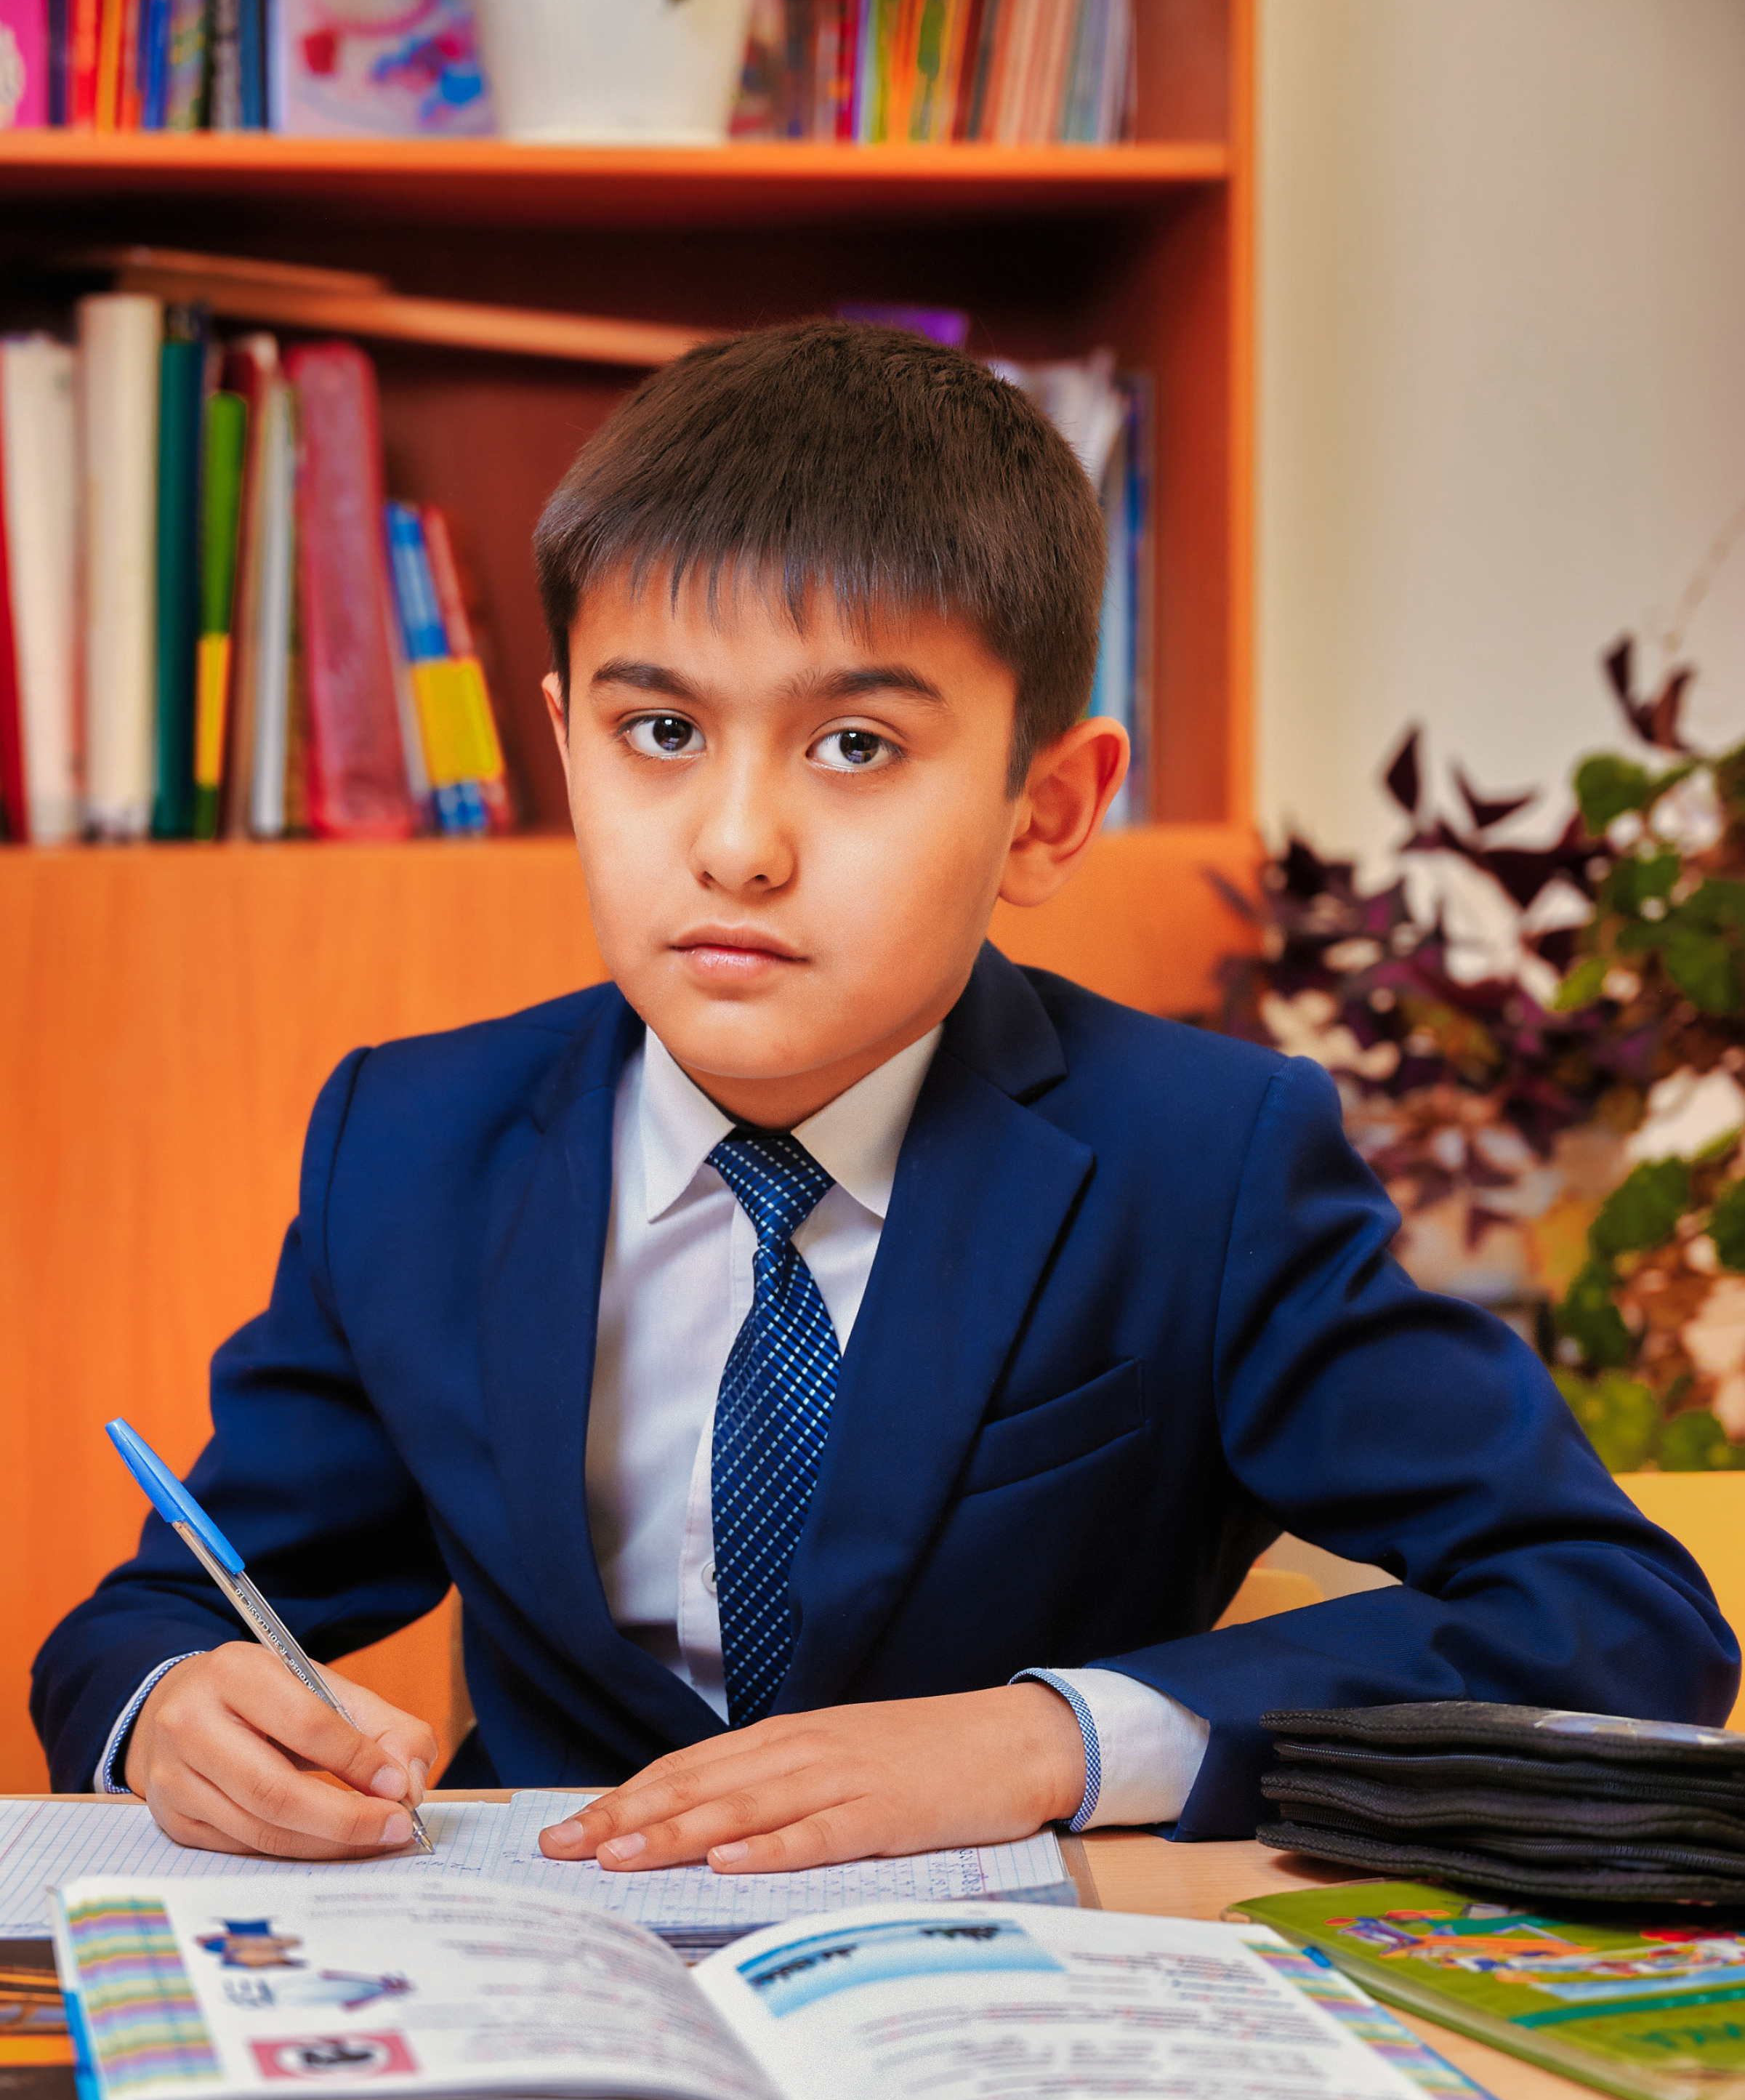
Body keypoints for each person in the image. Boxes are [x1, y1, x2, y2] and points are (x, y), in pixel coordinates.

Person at [31, 323, 1736, 1872]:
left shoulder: (1200, 1163)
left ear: (1046, 812)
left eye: (855, 745)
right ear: (565, 749)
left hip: (1020, 2001)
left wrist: (1048, 1738)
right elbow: (158, 1612)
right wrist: (178, 1706)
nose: (735, 842)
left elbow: (1614, 1615)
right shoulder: (410, 1144)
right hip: (549, 1970)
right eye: (658, 731)